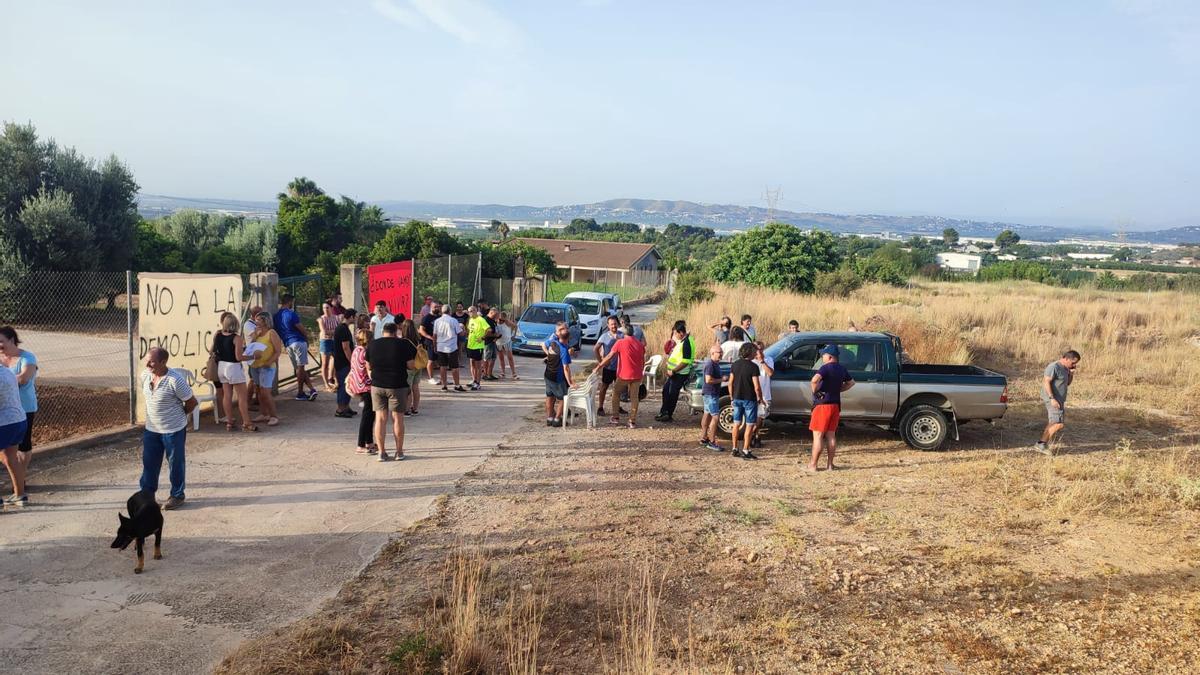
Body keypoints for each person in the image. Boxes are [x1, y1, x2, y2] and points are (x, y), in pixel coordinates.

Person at [139, 347, 196, 510]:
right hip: (152, 430)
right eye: (147, 359)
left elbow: (192, 402)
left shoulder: (175, 380)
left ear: (163, 362)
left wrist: (180, 415)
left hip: (173, 430)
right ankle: (147, 495)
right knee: (149, 463)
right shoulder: (145, 375)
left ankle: (177, 495)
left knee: (175, 463)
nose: (148, 363)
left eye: (152, 361)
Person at [366, 322, 416, 461]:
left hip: (377, 385)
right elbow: (411, 365)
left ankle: (381, 452)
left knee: (380, 419)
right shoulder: (403, 344)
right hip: (397, 385)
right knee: (398, 418)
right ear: (396, 331)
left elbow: (368, 366)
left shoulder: (372, 345)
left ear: (383, 332)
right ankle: (399, 452)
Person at [0, 327, 38, 489]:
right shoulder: (1, 359)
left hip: (25, 407)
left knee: (23, 445)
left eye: (1, 341)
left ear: (12, 339)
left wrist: (6, 379)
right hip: (5, 409)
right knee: (7, 451)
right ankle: (19, 484)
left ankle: (21, 479)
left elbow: (23, 378)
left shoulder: (27, 357)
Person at [807, 345, 855, 472]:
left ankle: (813, 465)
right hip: (835, 405)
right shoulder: (842, 369)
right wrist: (838, 390)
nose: (822, 357)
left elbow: (814, 380)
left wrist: (816, 392)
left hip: (822, 405)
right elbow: (851, 383)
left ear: (829, 356)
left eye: (823, 355)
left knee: (818, 436)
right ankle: (830, 465)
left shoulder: (825, 368)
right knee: (831, 436)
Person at [594, 324, 646, 428]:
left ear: (625, 333)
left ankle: (615, 417)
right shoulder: (640, 344)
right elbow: (642, 360)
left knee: (616, 393)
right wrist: (641, 373)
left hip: (624, 375)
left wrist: (599, 366)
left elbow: (609, 356)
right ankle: (632, 421)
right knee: (634, 397)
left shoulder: (620, 343)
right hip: (636, 375)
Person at [213, 313, 256, 432]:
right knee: (242, 397)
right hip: (233, 367)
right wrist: (253, 356)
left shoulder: (218, 335)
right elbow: (238, 357)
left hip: (222, 366)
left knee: (227, 395)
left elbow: (213, 350)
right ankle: (247, 422)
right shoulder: (236, 338)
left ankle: (229, 422)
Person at [1035, 349, 1081, 455]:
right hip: (1053, 398)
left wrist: (1071, 374)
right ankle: (1041, 444)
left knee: (1053, 422)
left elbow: (1067, 383)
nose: (1074, 365)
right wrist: (1052, 398)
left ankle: (1042, 443)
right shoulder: (1054, 366)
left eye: (1075, 363)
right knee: (1058, 423)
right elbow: (1046, 382)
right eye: (1073, 362)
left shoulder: (1066, 369)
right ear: (1066, 358)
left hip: (1059, 399)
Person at [274, 294, 318, 401]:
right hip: (298, 341)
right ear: (289, 302)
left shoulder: (276, 316)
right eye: (292, 302)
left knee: (299, 369)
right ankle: (300, 392)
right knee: (301, 368)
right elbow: (301, 328)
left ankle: (311, 389)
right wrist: (306, 339)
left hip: (288, 343)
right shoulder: (291, 314)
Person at [727, 342, 763, 460]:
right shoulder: (753, 367)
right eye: (754, 351)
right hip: (749, 399)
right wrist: (760, 398)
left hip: (737, 398)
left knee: (736, 424)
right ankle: (746, 449)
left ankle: (734, 448)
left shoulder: (735, 365)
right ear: (750, 352)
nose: (755, 353)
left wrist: (732, 396)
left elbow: (730, 383)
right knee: (749, 425)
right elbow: (757, 386)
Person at [247, 311, 283, 427]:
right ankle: (264, 413)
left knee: (266, 392)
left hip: (267, 367)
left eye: (258, 320)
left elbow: (278, 351)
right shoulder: (256, 333)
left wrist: (269, 362)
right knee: (259, 391)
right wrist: (255, 336)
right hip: (255, 366)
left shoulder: (271, 333)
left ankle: (274, 416)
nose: (255, 322)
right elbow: (250, 346)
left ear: (264, 321)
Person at [655, 320, 695, 423]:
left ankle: (667, 414)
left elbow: (685, 361)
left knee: (672, 394)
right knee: (666, 391)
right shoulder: (685, 340)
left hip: (679, 373)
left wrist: (673, 370)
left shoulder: (686, 342)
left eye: (676, 333)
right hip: (675, 373)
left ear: (681, 332)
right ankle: (664, 412)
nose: (675, 336)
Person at [0, 365, 29, 507]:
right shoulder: (7, 371)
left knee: (9, 458)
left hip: (3, 423)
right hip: (18, 420)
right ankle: (20, 496)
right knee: (10, 458)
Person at [346, 328, 377, 455]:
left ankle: (369, 442)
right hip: (366, 386)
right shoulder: (365, 352)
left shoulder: (356, 350)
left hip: (358, 384)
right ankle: (360, 444)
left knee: (371, 415)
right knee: (367, 416)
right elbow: (370, 369)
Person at [543, 322, 574, 427]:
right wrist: (570, 382)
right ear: (568, 338)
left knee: (549, 396)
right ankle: (557, 420)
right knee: (563, 399)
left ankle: (549, 418)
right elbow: (566, 368)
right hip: (557, 378)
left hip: (548, 375)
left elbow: (544, 345)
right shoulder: (564, 350)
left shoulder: (553, 343)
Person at [594, 316, 624, 417]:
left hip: (619, 367)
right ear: (608, 325)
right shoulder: (604, 336)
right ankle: (600, 407)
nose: (613, 326)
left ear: (618, 324)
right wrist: (601, 361)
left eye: (615, 324)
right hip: (608, 368)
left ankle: (617, 406)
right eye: (611, 324)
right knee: (604, 387)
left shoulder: (622, 335)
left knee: (618, 388)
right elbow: (595, 349)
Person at [698, 344, 725, 452]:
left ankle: (703, 437)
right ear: (712, 353)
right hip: (711, 393)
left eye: (721, 352)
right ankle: (712, 441)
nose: (721, 354)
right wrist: (722, 380)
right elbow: (708, 380)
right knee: (715, 417)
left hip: (710, 393)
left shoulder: (715, 363)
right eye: (719, 352)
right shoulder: (710, 364)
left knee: (707, 414)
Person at [333, 309, 359, 418]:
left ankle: (346, 407)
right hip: (343, 362)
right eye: (355, 316)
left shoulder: (343, 328)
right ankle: (340, 409)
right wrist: (352, 361)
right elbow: (345, 347)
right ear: (351, 317)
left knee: (349, 385)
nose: (356, 319)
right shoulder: (343, 329)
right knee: (344, 385)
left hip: (343, 362)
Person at [434, 304, 465, 392]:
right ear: (450, 311)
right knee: (455, 367)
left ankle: (444, 386)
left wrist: (435, 346)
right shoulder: (453, 320)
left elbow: (435, 335)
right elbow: (460, 333)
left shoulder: (437, 321)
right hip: (451, 347)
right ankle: (457, 385)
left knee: (442, 366)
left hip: (440, 346)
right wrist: (463, 329)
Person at [749, 340, 775, 449]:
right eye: (756, 349)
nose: (758, 352)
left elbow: (770, 373)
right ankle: (755, 437)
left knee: (761, 417)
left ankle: (752, 435)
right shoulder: (750, 361)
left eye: (760, 349)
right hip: (752, 393)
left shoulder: (768, 359)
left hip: (765, 394)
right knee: (753, 417)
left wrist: (762, 361)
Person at [399, 319, 423, 415]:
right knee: (415, 387)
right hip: (418, 365)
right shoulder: (418, 339)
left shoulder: (404, 341)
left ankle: (407, 409)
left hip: (409, 367)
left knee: (408, 389)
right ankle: (415, 408)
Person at [465, 306, 489, 391]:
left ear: (476, 311)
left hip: (478, 346)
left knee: (478, 365)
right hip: (470, 345)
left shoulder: (481, 319)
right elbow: (469, 330)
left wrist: (482, 338)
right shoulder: (470, 319)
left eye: (472, 311)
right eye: (469, 311)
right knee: (472, 363)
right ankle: (474, 380)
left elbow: (488, 329)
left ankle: (478, 383)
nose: (470, 313)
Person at [318, 301, 341, 390]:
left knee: (335, 361)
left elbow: (338, 330)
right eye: (324, 308)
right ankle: (326, 383)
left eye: (327, 307)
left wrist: (331, 332)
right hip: (325, 341)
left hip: (334, 341)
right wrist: (333, 331)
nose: (325, 309)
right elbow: (324, 332)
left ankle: (335, 380)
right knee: (324, 363)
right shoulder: (321, 319)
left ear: (331, 308)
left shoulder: (336, 318)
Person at [419, 301, 441, 383]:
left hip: (440, 342)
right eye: (435, 307)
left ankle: (442, 378)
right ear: (431, 307)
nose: (437, 308)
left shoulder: (440, 317)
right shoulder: (426, 318)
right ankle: (431, 378)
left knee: (440, 360)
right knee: (431, 360)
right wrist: (430, 337)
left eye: (438, 307)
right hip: (430, 342)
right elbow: (421, 330)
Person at [495, 311, 518, 379]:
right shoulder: (496, 322)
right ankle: (503, 373)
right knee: (501, 358)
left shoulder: (507, 322)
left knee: (510, 357)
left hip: (507, 341)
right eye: (500, 319)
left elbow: (515, 326)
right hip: (499, 342)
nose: (501, 321)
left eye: (503, 320)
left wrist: (513, 335)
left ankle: (514, 373)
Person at [482, 307, 500, 381]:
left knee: (493, 358)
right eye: (495, 315)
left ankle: (490, 374)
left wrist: (497, 336)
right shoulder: (485, 320)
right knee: (487, 358)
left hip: (493, 342)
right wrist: (495, 335)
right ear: (491, 312)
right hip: (487, 342)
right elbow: (485, 333)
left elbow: (495, 330)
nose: (496, 316)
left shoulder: (493, 320)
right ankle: (485, 374)